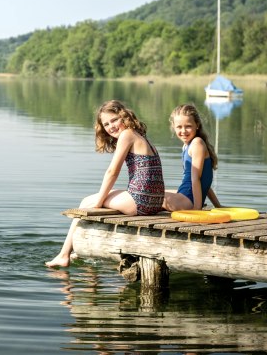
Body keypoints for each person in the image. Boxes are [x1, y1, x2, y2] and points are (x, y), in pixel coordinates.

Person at [45, 100, 165, 268]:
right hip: (155, 202)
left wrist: (99, 202)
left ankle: (64, 254)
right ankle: (78, 251)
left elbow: (112, 172)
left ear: (124, 116)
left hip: (141, 202)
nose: (111, 126)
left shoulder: (127, 134)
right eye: (106, 124)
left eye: (114, 120)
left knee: (87, 202)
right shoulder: (140, 135)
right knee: (104, 196)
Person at [163, 104, 221, 211]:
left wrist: (197, 209)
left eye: (188, 126)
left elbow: (196, 179)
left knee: (144, 196)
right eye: (179, 127)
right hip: (185, 196)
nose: (183, 131)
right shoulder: (187, 146)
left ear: (197, 125)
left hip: (187, 200)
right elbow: (205, 183)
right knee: (155, 192)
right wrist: (218, 206)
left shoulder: (196, 144)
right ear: (173, 127)